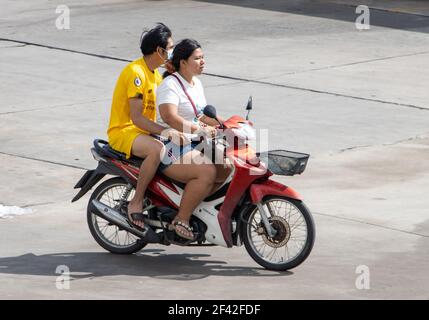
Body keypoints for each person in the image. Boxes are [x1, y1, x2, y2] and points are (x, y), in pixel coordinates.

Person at [107, 23, 185, 233]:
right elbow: (137, 118)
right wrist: (165, 132)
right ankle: (136, 201)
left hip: (144, 132)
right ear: (159, 50)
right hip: (124, 131)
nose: (172, 50)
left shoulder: (156, 75)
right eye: (169, 47)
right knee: (157, 149)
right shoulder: (136, 73)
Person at [156, 39, 232, 240]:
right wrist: (200, 129)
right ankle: (181, 218)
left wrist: (226, 124)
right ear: (183, 62)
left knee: (227, 167)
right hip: (170, 144)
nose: (202, 61)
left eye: (203, 57)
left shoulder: (196, 83)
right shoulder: (170, 85)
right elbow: (169, 117)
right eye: (197, 58)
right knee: (207, 171)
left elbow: (201, 114)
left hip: (193, 141)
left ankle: (196, 206)